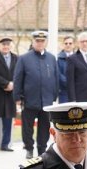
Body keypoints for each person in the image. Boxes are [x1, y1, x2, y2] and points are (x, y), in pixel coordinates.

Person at [14, 31, 59, 159]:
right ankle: (29, 148)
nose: (40, 43)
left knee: (44, 126)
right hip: (29, 99)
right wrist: (17, 97)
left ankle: (42, 149)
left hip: (46, 100)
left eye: (42, 41)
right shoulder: (24, 58)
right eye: (37, 41)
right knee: (27, 127)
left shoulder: (51, 58)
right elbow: (18, 78)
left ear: (45, 42)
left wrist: (54, 95)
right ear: (33, 42)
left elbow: (55, 78)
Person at [57, 36, 75, 103]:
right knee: (64, 112)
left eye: (70, 43)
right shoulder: (58, 58)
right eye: (66, 43)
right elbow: (58, 74)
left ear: (74, 45)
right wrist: (69, 83)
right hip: (64, 92)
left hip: (76, 92)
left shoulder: (78, 57)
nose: (68, 45)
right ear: (63, 45)